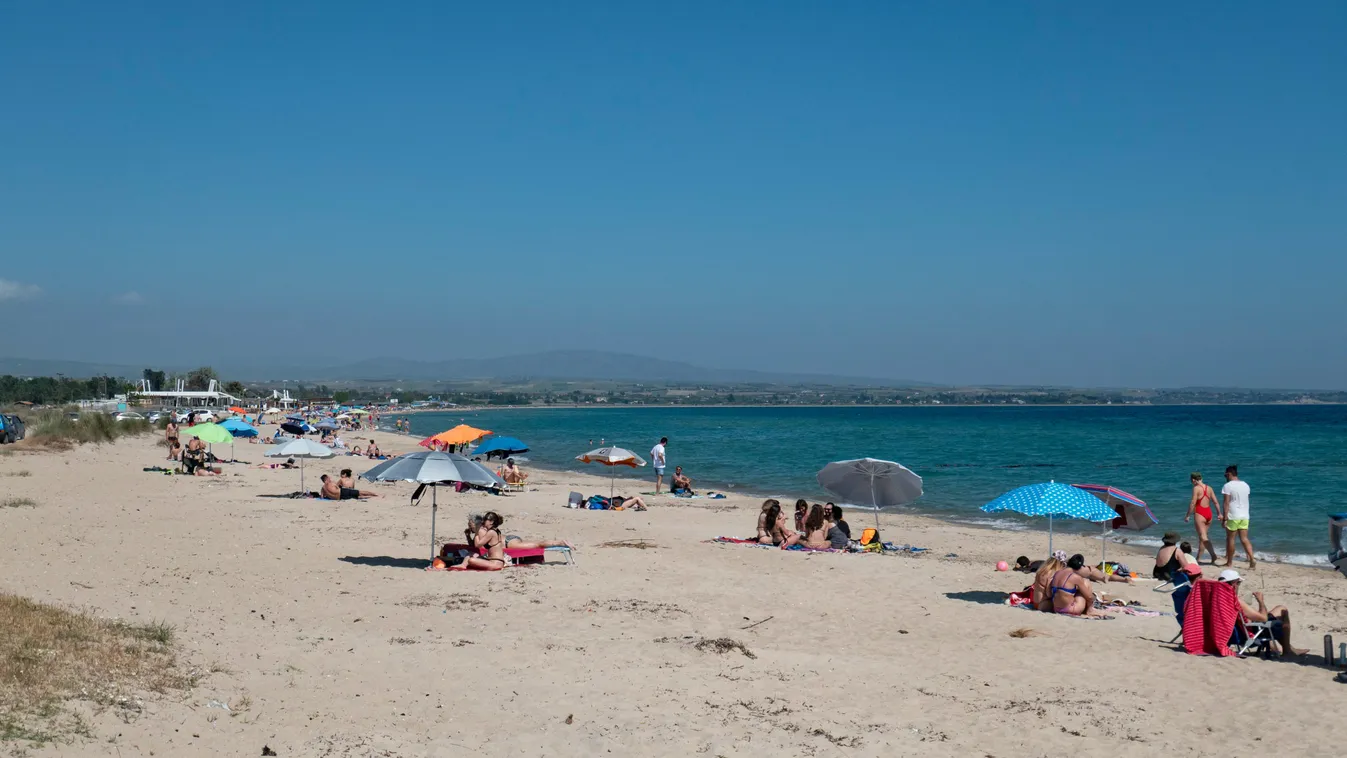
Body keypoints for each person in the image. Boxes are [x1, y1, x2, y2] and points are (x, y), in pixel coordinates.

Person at [1218, 569, 1307, 656]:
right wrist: (1261, 601)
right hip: (1249, 632)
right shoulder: (1235, 600)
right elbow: (1263, 618)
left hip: (1230, 632)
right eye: (1239, 583)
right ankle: (1287, 650)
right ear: (1234, 584)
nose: (1239, 586)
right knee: (1282, 610)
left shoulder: (1217, 599)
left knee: (1269, 616)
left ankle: (1281, 647)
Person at [1221, 465, 1255, 570]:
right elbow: (1247, 500)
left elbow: (1226, 503)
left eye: (1225, 475)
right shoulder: (1246, 485)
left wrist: (1225, 518)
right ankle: (1252, 559)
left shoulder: (1228, 486)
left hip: (1233, 515)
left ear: (1229, 474)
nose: (1225, 476)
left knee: (1231, 539)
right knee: (1244, 538)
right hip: (1245, 515)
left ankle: (1229, 562)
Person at [1185, 472, 1222, 564]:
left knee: (1203, 536)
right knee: (1202, 537)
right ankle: (1198, 558)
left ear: (1194, 480)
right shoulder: (1209, 488)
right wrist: (1219, 513)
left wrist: (1188, 515)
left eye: (1191, 480)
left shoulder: (1196, 488)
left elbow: (1193, 503)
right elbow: (1216, 502)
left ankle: (1213, 554)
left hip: (1200, 513)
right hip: (1209, 513)